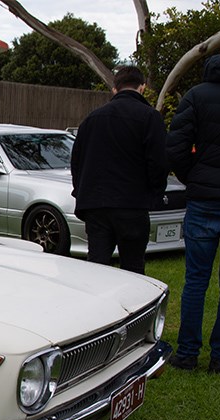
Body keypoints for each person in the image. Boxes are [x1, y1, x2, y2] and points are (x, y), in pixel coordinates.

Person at [166, 27, 220, 375]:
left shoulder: (197, 95)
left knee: (196, 280)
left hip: (204, 199)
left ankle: (187, 354)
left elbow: (175, 146)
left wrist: (195, 177)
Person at [71, 66, 169, 274]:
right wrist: (155, 195)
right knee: (133, 267)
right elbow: (158, 163)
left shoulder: (91, 119)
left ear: (114, 89)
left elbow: (76, 161)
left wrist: (80, 191)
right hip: (132, 204)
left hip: (96, 204)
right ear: (142, 88)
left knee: (97, 265)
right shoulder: (150, 117)